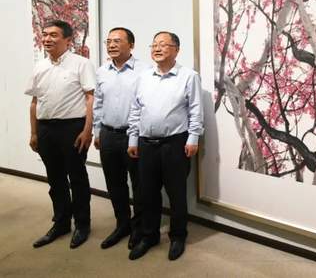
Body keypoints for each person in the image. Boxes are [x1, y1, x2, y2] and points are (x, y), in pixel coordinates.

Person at [127, 31, 203, 261]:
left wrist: (193, 138)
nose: (157, 48)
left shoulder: (188, 76)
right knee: (147, 193)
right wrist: (133, 138)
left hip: (175, 144)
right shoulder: (143, 77)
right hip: (146, 144)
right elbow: (135, 110)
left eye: (163, 44)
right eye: (154, 45)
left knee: (176, 193)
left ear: (176, 49)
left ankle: (178, 236)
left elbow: (196, 110)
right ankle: (149, 236)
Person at [25, 20, 96, 249]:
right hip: (46, 128)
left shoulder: (81, 64)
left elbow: (90, 98)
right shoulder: (39, 66)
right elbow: (34, 102)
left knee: (77, 177)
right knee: (55, 178)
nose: (47, 39)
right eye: (45, 34)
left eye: (53, 35)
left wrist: (87, 130)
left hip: (72, 128)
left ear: (68, 40)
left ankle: (82, 224)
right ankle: (61, 222)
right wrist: (34, 132)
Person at [93, 27, 151, 249]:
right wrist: (97, 131)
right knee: (114, 183)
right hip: (108, 134)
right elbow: (98, 103)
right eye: (108, 41)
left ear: (131, 45)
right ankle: (122, 224)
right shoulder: (102, 71)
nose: (111, 45)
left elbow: (147, 104)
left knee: (139, 184)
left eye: (117, 41)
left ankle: (139, 227)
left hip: (133, 135)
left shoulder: (145, 71)